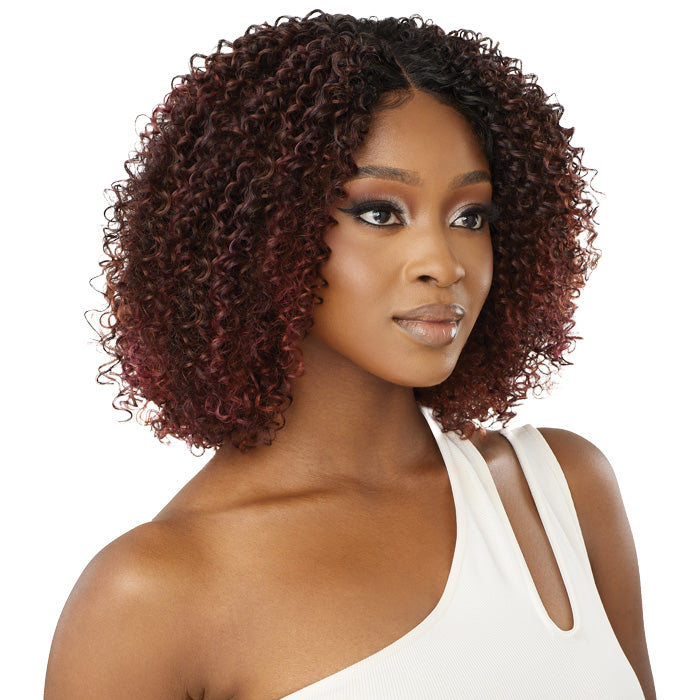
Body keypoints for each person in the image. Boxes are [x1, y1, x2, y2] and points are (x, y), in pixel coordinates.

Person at [44, 11, 655, 700]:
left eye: (470, 216)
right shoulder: (152, 596)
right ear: (265, 229)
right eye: (380, 213)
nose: (443, 263)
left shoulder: (559, 493)